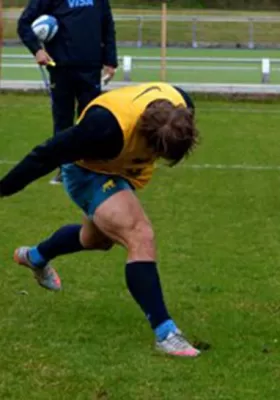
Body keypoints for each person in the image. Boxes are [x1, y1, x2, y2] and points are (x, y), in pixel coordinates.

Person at [0, 83, 201, 357]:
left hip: (121, 167)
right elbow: (46, 155)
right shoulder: (102, 129)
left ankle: (36, 256)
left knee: (96, 239)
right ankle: (166, 333)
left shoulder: (182, 105)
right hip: (88, 171)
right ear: (147, 135)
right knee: (139, 235)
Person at [17, 0, 118, 185]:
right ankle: (64, 169)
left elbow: (107, 25)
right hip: (60, 67)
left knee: (91, 119)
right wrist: (37, 50)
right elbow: (23, 23)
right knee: (63, 122)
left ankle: (90, 168)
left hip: (91, 67)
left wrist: (111, 61)